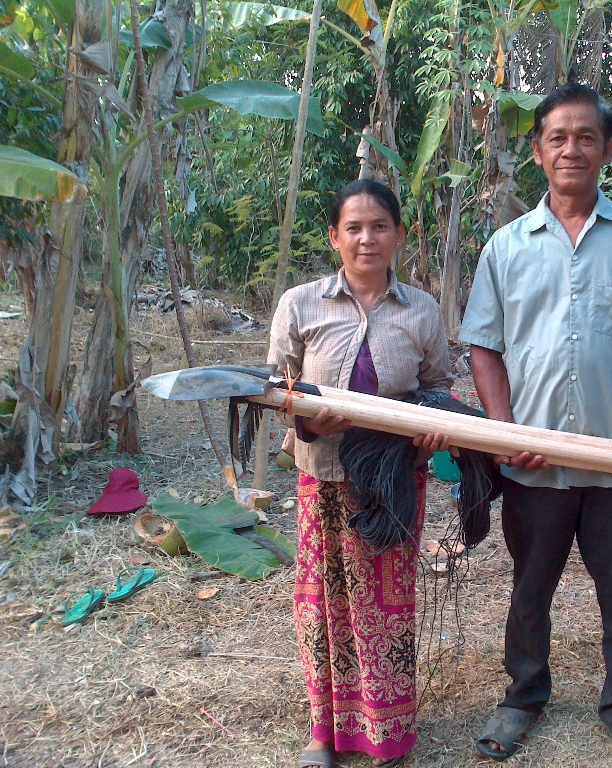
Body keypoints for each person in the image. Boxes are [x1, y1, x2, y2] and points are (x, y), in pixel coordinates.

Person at [459, 83, 612, 768]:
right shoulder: (506, 248)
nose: (572, 147)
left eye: (586, 136)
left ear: (607, 150)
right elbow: (483, 344)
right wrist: (507, 429)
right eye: (558, 136)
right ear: (538, 150)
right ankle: (522, 698)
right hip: (534, 463)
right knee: (529, 590)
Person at [268, 179, 454, 768]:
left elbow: (438, 390)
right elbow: (275, 389)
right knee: (323, 605)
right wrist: (307, 423)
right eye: (353, 227)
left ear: (398, 235)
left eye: (379, 227)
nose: (366, 238)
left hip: (394, 483)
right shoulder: (301, 304)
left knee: (384, 607)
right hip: (321, 478)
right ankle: (325, 734)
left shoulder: (420, 310)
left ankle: (385, 735)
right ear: (334, 237)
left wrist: (429, 427)